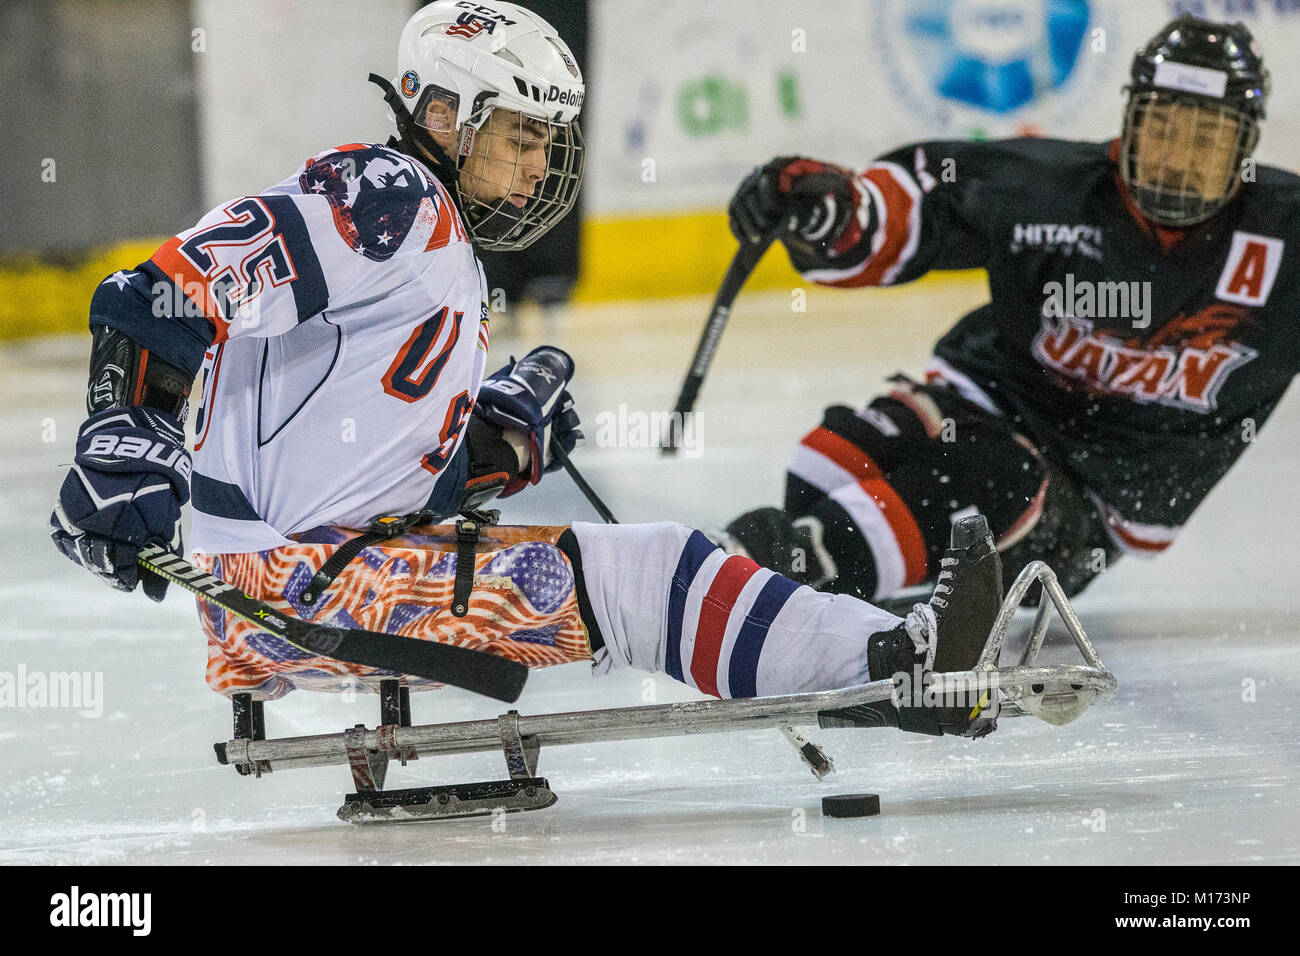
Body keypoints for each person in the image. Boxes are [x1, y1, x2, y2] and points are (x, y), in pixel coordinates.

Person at [49, 1, 1004, 739]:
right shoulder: (382, 197)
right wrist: (121, 433)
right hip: (293, 588)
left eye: (547, 140)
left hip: (302, 579)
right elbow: (156, 294)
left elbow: (343, 456)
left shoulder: (428, 236)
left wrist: (493, 446)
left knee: (653, 566)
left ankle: (888, 662)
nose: (538, 163)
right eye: (518, 135)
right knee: (650, 575)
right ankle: (895, 665)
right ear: (441, 114)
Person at [722, 14, 1297, 606]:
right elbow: (922, 204)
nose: (1178, 160)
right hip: (983, 400)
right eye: (1164, 128)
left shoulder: (1288, 243)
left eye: (1207, 140)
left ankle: (797, 577)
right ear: (1131, 120)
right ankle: (835, 576)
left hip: (1087, 500)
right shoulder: (1052, 189)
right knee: (830, 460)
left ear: (1246, 147)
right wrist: (834, 214)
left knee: (992, 479)